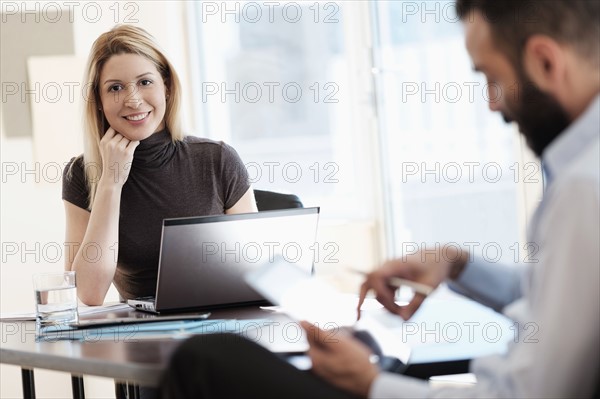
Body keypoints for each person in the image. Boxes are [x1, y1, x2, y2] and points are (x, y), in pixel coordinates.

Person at [160, 1, 599, 398]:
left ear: (544, 62)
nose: (491, 105)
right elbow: (561, 298)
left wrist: (372, 384)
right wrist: (456, 264)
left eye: (492, 79)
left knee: (205, 361)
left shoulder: (581, 188)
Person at [62, 25, 258, 306]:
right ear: (99, 101)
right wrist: (110, 182)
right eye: (115, 88)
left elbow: (256, 271)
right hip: (140, 337)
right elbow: (89, 293)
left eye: (145, 82)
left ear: (166, 86)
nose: (132, 99)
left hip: (219, 324)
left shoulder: (218, 159)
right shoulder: (81, 174)